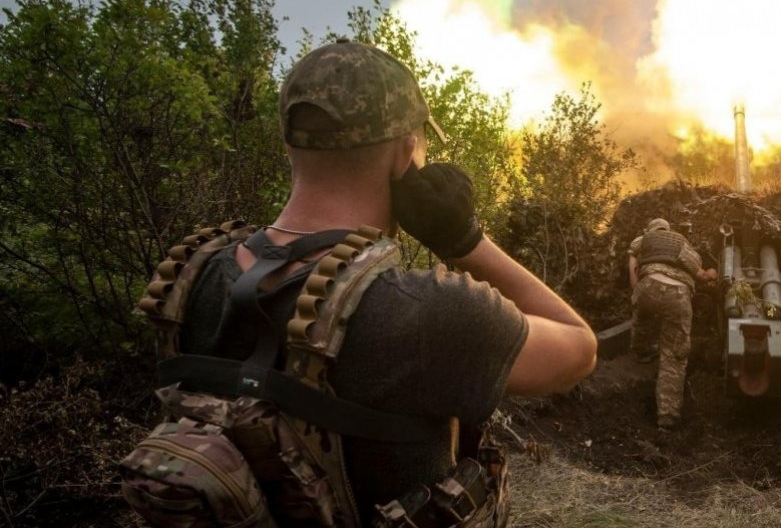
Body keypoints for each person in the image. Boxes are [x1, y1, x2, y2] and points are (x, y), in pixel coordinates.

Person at [162, 39, 597, 525]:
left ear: (289, 145)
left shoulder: (194, 277)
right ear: (405, 154)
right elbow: (579, 347)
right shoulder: (427, 311)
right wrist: (464, 241)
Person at [627, 218, 715, 430]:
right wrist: (711, 274)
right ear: (668, 230)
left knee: (642, 317)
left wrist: (636, 290)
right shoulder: (681, 243)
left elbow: (633, 265)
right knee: (674, 355)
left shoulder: (643, 239)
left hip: (647, 286)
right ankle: (667, 418)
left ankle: (641, 350)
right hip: (678, 295)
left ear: (650, 229)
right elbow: (701, 274)